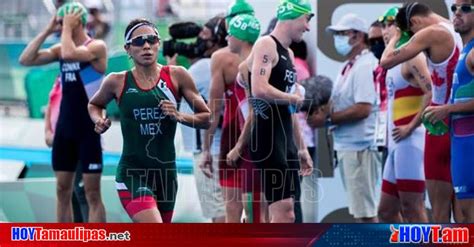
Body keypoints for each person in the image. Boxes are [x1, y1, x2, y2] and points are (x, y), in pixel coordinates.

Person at [88, 18, 211, 223]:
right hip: (132, 173)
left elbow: (207, 118)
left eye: (151, 40)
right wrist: (99, 120)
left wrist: (180, 115)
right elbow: (94, 104)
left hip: (165, 175)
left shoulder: (177, 76)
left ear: (158, 44)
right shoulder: (117, 81)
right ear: (128, 48)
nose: (146, 46)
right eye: (139, 42)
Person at [19, 2, 107, 222]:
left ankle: (99, 240)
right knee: (62, 191)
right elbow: (26, 59)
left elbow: (70, 54)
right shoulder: (60, 49)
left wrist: (67, 26)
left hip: (88, 130)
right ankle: (63, 239)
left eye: (63, 21)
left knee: (92, 194)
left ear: (77, 21)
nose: (60, 26)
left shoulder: (96, 47)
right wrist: (48, 30)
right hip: (65, 130)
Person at [380, 2, 463, 222]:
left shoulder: (431, 33)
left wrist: (397, 37)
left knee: (438, 212)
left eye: (411, 31)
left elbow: (386, 61)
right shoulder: (456, 29)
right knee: (464, 211)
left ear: (415, 22)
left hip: (439, 126)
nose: (413, 36)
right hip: (463, 125)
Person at [245, 0, 314, 223]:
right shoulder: (266, 44)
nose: (308, 27)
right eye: (306, 20)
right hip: (268, 138)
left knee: (290, 214)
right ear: (292, 17)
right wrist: (292, 97)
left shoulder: (289, 54)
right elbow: (259, 88)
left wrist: (301, 148)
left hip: (286, 140)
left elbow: (290, 110)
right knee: (284, 213)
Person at [200, 0, 255, 223]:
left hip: (233, 137)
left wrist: (205, 149)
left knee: (232, 209)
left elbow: (214, 109)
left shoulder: (221, 58)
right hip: (262, 138)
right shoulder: (270, 51)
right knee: (261, 212)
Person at [377, 7, 432, 223]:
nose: (384, 31)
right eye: (382, 26)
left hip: (411, 141)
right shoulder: (393, 58)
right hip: (395, 145)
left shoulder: (414, 56)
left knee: (413, 207)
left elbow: (431, 92)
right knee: (386, 212)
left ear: (401, 27)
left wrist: (410, 126)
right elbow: (385, 59)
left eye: (389, 25)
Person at [325, 13, 380, 223]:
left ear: (357, 36)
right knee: (361, 212)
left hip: (360, 147)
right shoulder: (350, 65)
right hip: (350, 147)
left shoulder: (366, 65)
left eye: (341, 33)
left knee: (366, 214)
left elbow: (363, 109)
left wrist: (329, 119)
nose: (337, 38)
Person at [174, 15, 228, 223]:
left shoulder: (204, 66)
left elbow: (168, 93)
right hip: (221, 146)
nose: (199, 41)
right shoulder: (226, 63)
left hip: (208, 150)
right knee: (225, 207)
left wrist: (174, 67)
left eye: (203, 36)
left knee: (217, 210)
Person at [423, 0, 474, 222]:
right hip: (461, 145)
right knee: (463, 216)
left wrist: (447, 109)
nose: (457, 13)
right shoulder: (466, 51)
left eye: (466, 8)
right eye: (454, 8)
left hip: (469, 146)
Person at [224, 14, 266, 223]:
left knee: (254, 213)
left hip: (254, 145)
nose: (227, 39)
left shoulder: (246, 67)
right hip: (263, 141)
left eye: (230, 34)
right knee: (263, 212)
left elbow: (254, 110)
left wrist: (239, 147)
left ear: (241, 38)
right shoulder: (260, 62)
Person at [369, 20, 389, 166]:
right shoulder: (377, 68)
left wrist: (410, 126)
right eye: (371, 41)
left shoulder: (405, 62)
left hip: (402, 135)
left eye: (379, 40)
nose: (376, 45)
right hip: (383, 136)